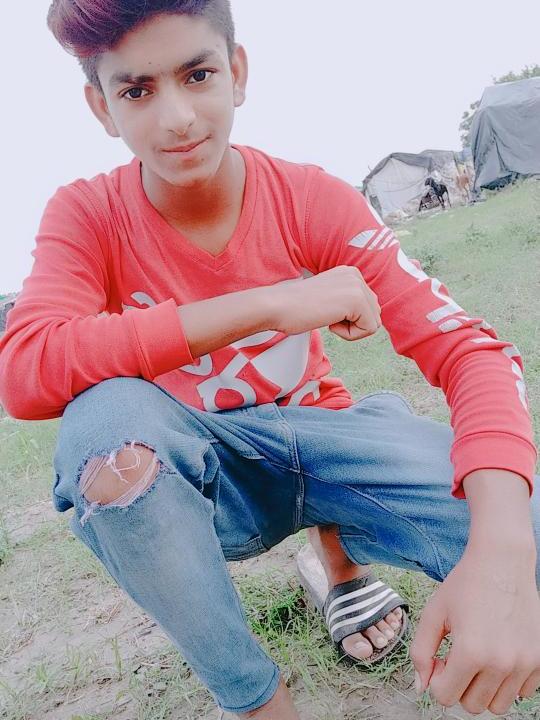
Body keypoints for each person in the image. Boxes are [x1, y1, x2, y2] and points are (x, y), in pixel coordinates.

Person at [0, 2, 539, 717]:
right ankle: (259, 700)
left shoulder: (310, 197)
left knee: (521, 522)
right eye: (137, 90)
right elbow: (26, 367)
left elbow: (470, 349)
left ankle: (341, 570)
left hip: (320, 441)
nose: (177, 118)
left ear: (237, 72)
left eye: (198, 75)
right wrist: (268, 304)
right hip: (206, 479)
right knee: (103, 428)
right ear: (102, 107)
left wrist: (504, 554)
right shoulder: (88, 214)